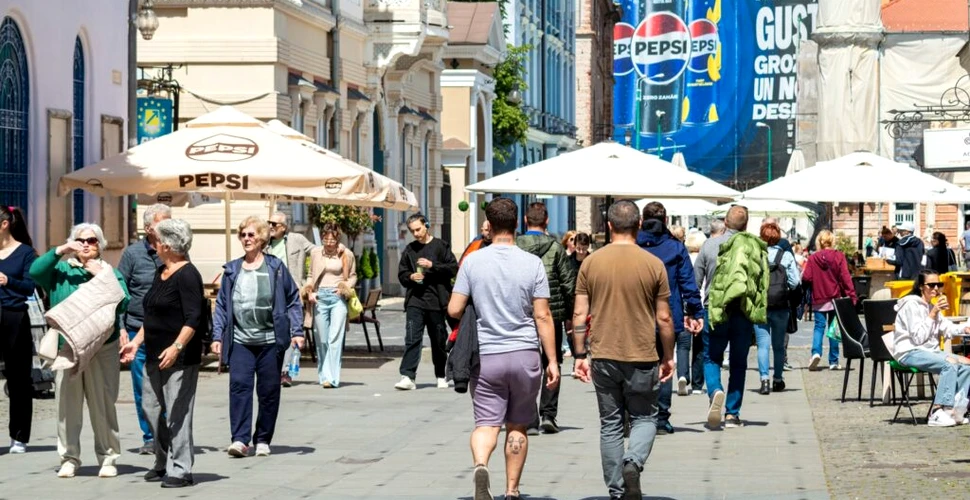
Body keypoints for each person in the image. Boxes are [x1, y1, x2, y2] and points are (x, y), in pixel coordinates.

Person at [446, 197, 559, 500]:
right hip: (524, 355)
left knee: (486, 423)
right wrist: (552, 360)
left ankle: (481, 465)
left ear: (490, 225)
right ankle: (512, 490)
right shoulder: (532, 263)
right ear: (518, 224)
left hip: (487, 356)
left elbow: (454, 309)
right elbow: (542, 315)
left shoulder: (472, 261)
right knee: (518, 426)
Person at [572, 200, 674, 500]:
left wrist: (580, 355)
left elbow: (579, 314)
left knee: (611, 424)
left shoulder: (591, 262)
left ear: (609, 225)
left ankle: (617, 491)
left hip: (603, 353)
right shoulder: (653, 264)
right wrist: (668, 356)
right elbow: (665, 317)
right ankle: (634, 462)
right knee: (644, 418)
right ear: (639, 225)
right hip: (642, 353)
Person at [30, 223, 130, 478]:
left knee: (103, 405)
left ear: (100, 245)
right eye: (80, 239)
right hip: (67, 349)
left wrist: (101, 277)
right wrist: (61, 250)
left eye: (92, 240)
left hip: (102, 349)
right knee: (67, 406)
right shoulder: (61, 270)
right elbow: (35, 271)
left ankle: (108, 457)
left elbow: (123, 302)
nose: (86, 244)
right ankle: (69, 457)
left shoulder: (109, 272)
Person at [119, 219, 204, 488]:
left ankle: (181, 469)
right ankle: (161, 459)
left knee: (178, 413)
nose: (152, 244)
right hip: (153, 354)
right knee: (151, 409)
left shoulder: (188, 274)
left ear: (167, 245)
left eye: (156, 240)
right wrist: (136, 342)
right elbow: (151, 314)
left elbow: (194, 318)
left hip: (178, 358)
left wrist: (177, 346)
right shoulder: (161, 271)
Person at [211, 217, 304, 458]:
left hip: (270, 340)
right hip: (241, 340)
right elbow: (222, 306)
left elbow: (293, 298)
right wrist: (217, 335)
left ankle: (262, 438)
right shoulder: (232, 270)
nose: (247, 239)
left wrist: (297, 331)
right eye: (243, 235)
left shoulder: (275, 267)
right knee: (239, 387)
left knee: (269, 390)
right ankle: (240, 439)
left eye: (251, 235)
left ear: (262, 238)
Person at [636, 202, 703, 435]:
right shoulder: (675, 247)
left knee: (636, 367)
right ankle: (661, 418)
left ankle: (634, 416)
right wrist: (695, 311)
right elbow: (687, 282)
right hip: (669, 314)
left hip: (635, 316)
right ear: (665, 221)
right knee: (665, 364)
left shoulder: (632, 246)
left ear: (642, 221)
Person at [701, 205, 768, 429]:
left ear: (725, 223)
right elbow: (762, 283)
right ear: (746, 225)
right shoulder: (755, 248)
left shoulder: (710, 245)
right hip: (743, 311)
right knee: (739, 363)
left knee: (711, 358)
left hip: (716, 308)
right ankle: (732, 414)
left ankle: (715, 391)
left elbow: (695, 279)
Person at [515, 203, 576, 435]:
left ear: (525, 219)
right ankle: (548, 414)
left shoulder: (516, 246)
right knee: (552, 362)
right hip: (552, 315)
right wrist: (570, 316)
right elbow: (568, 284)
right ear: (547, 221)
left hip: (521, 315)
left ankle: (529, 416)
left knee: (526, 366)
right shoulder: (555, 248)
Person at [117, 203, 171, 455]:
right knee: (142, 388)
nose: (169, 225)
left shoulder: (176, 251)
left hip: (168, 332)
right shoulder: (132, 254)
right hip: (137, 330)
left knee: (169, 387)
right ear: (148, 228)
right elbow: (119, 292)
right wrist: (121, 329)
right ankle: (150, 436)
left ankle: (169, 433)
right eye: (163, 222)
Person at [893, 270, 970, 427]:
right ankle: (937, 411)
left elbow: (946, 327)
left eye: (939, 285)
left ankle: (956, 409)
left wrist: (964, 329)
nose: (936, 288)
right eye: (931, 285)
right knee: (950, 363)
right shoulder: (910, 305)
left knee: (966, 365)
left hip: (930, 352)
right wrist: (933, 312)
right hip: (909, 351)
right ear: (922, 287)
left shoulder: (930, 305)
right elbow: (918, 338)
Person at [395, 213, 458, 391]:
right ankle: (407, 376)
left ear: (426, 225)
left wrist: (432, 266)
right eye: (412, 230)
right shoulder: (410, 249)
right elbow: (401, 274)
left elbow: (452, 268)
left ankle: (441, 375)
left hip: (437, 301)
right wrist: (410, 276)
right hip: (416, 300)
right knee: (412, 338)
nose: (415, 233)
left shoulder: (441, 246)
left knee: (438, 340)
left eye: (418, 229)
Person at [0, 206, 36, 454]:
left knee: (18, 379)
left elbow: (30, 286)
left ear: (4, 224)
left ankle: (19, 436)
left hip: (15, 317)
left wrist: (7, 280)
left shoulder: (25, 253)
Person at [266, 211, 315, 388]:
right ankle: (271, 369)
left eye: (274, 224)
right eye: (269, 223)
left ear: (284, 227)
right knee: (270, 332)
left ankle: (285, 371)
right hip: (268, 294)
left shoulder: (297, 239)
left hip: (290, 293)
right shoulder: (264, 243)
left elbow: (316, 252)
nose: (270, 227)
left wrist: (309, 280)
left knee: (290, 332)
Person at [304, 224, 356, 388]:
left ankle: (332, 378)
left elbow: (353, 276)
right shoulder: (315, 253)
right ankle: (324, 375)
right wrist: (309, 291)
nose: (328, 242)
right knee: (322, 339)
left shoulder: (346, 254)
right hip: (319, 298)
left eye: (332, 239)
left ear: (337, 238)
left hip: (337, 298)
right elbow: (311, 275)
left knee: (335, 338)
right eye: (325, 238)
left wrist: (344, 288)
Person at [754, 221, 800, 394]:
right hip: (781, 305)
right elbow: (795, 282)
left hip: (761, 305)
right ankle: (778, 380)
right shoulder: (786, 256)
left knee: (762, 345)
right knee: (779, 345)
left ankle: (764, 379)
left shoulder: (756, 256)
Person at [802, 230, 857, 371]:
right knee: (834, 329)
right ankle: (833, 360)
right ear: (832, 241)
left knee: (819, 327)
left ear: (819, 242)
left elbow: (806, 277)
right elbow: (846, 278)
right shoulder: (839, 256)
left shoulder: (813, 258)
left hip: (819, 297)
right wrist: (852, 296)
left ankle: (815, 353)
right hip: (835, 298)